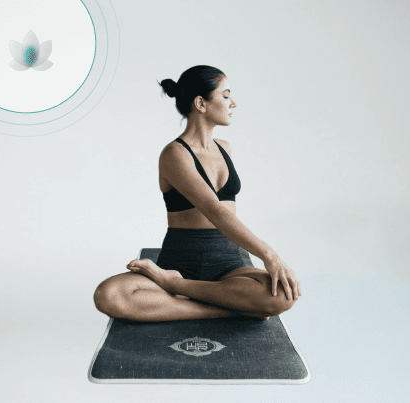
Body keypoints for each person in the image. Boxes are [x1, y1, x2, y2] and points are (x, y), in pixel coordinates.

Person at [93, 65, 301, 322]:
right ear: (201, 103)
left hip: (227, 264)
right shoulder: (174, 154)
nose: (232, 103)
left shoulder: (225, 149)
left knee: (283, 295)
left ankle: (179, 290)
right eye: (225, 96)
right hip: (179, 261)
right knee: (110, 295)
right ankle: (220, 306)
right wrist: (270, 256)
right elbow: (214, 210)